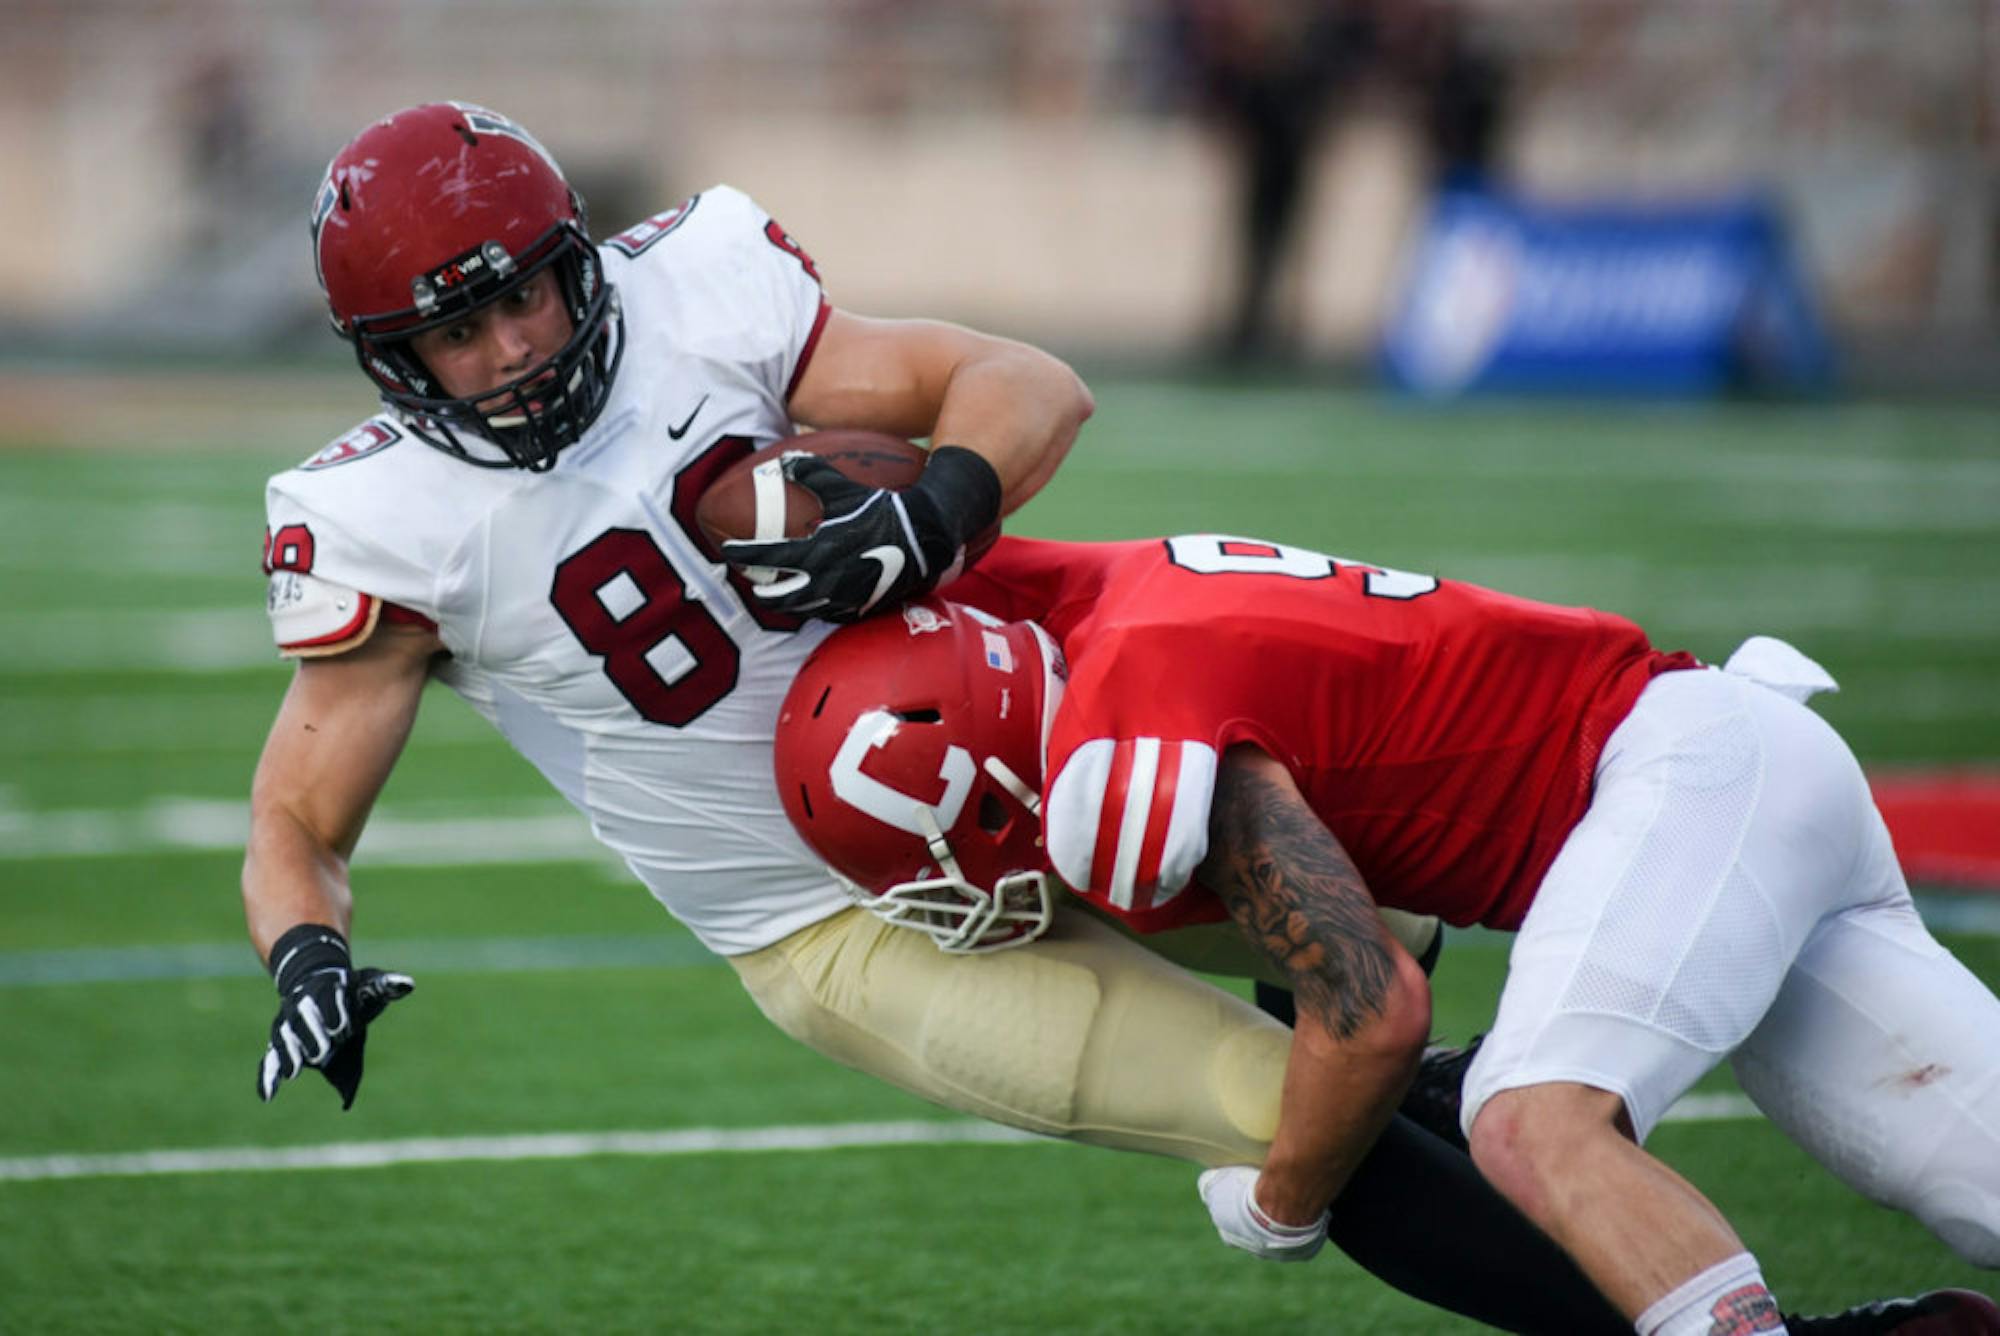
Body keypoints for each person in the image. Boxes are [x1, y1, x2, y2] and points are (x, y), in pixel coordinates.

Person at [246, 101, 1646, 1335]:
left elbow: (1027, 386)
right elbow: (298, 817)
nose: (509, 350)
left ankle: (1660, 1262)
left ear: (579, 262)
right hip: (840, 924)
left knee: (1385, 945)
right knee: (1289, 1112)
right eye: (455, 330)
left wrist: (935, 511)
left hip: (1020, 757)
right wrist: (306, 952)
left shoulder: (702, 300)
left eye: (527, 298)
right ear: (391, 359)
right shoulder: (382, 525)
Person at [773, 533, 2000, 1336]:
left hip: (1679, 776)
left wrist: (1284, 1198)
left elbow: (1369, 1010)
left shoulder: (1118, 752)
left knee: (1527, 1122)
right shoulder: (1060, 595)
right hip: (1727, 771)